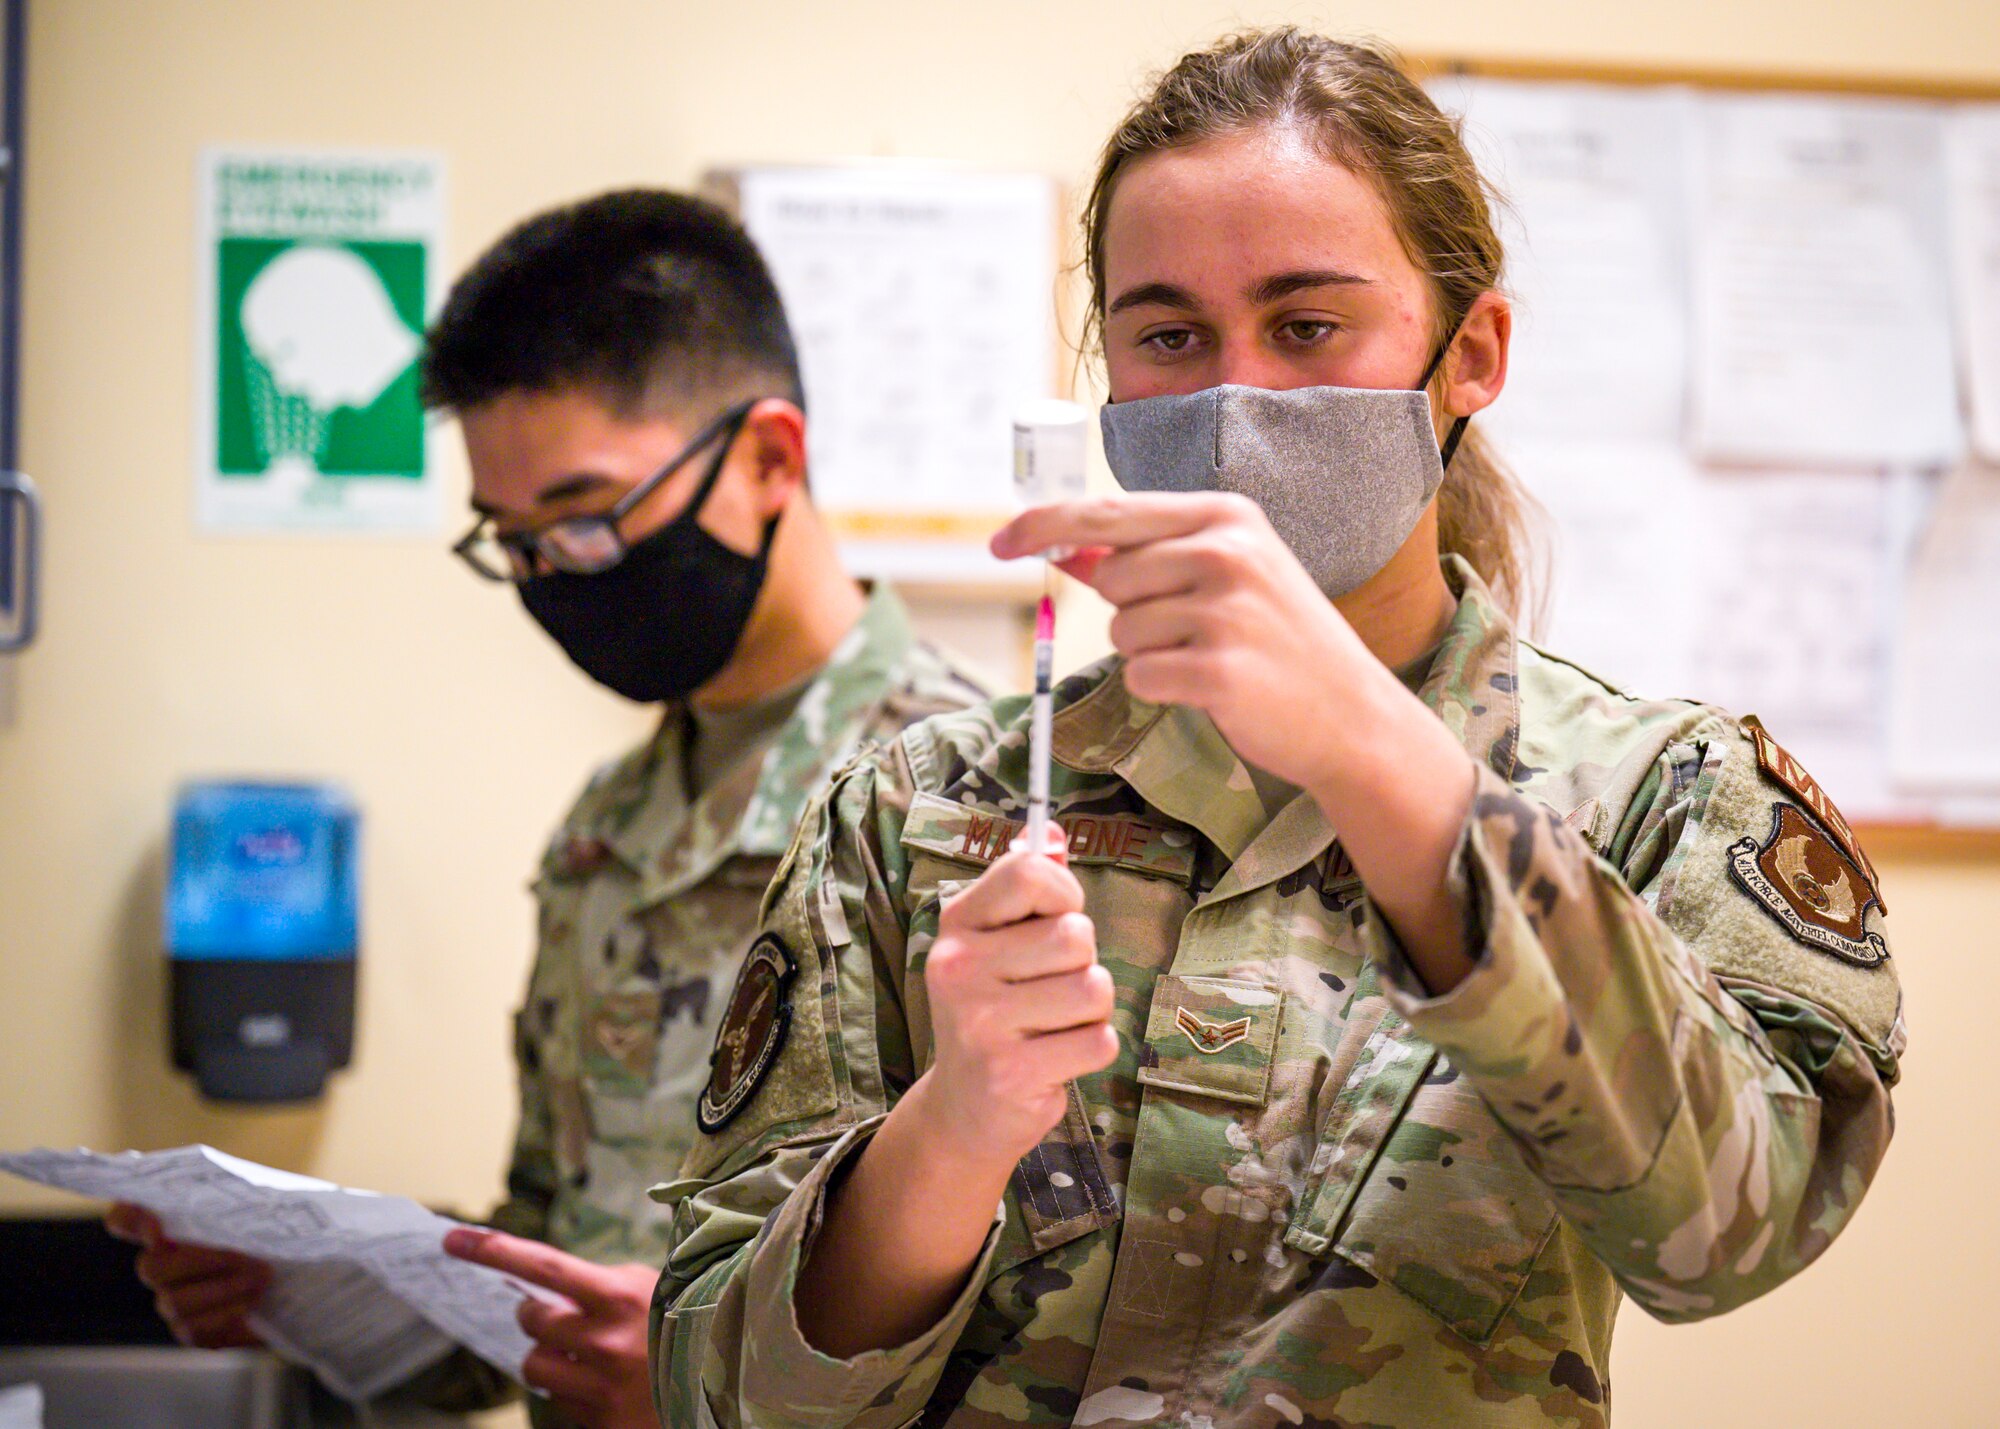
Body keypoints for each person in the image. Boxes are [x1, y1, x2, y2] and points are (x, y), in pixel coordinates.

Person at [649, 31, 1905, 1429]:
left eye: (1308, 327)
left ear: (1468, 353)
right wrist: (951, 1131)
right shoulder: (923, 809)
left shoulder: (1656, 797)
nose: (1235, 399)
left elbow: (1739, 1236)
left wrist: (1374, 749)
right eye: (1169, 336)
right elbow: (718, 1397)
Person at [104, 189, 989, 1429]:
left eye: (582, 520)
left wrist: (708, 1369)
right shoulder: (605, 827)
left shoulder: (966, 802)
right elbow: (549, 1247)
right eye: (512, 542)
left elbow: (1045, 1323)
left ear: (769, 457)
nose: (554, 580)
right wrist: (318, 1296)